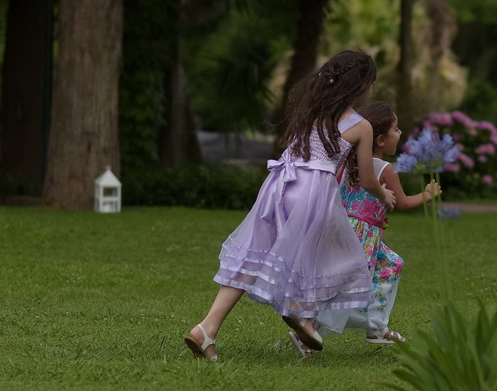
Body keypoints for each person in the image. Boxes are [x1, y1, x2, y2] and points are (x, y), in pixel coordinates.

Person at [183, 51, 396, 361]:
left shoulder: (310, 110)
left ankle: (206, 329)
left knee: (252, 257)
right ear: (361, 85)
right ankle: (303, 317)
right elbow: (367, 179)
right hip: (314, 192)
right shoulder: (360, 125)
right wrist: (384, 196)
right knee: (343, 259)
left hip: (279, 185)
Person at [303, 102, 441, 353]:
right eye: (396, 129)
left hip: (345, 229)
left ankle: (375, 326)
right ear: (379, 139)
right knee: (347, 284)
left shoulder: (346, 162)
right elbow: (404, 203)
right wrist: (428, 194)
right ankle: (308, 331)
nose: (399, 134)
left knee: (391, 264)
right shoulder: (385, 169)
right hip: (362, 235)